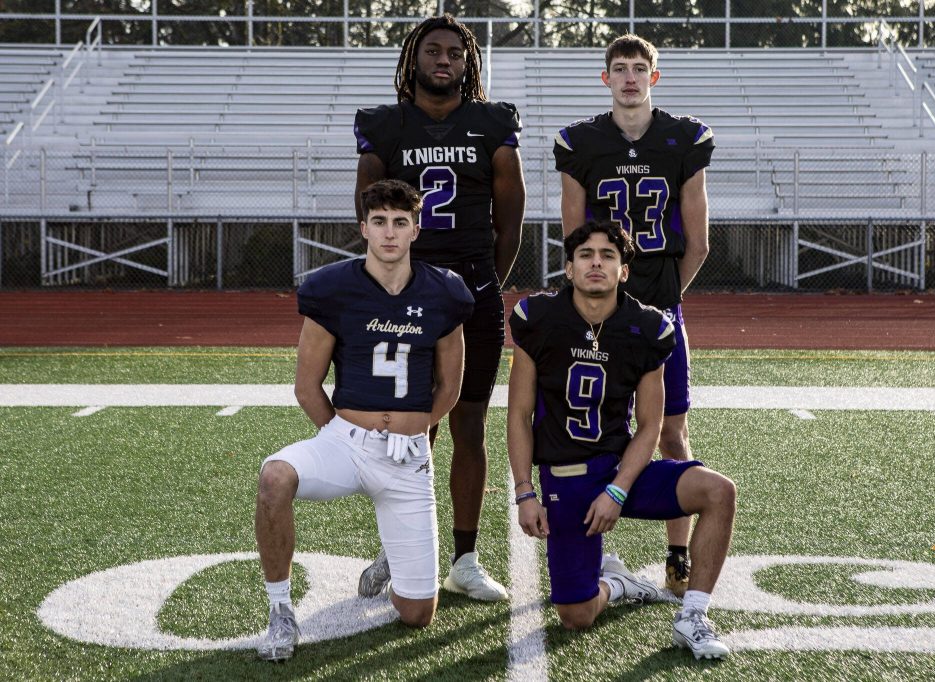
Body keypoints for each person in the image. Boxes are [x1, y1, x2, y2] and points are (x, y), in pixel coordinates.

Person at [254, 179, 474, 661]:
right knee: (274, 476)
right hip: (346, 443)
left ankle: (393, 557)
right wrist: (343, 435)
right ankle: (280, 611)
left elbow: (449, 388)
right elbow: (307, 386)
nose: (389, 233)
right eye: (379, 222)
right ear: (364, 229)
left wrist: (415, 432)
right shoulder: (332, 288)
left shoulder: (444, 291)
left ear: (416, 229)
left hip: (408, 457)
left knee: (417, 614)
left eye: (400, 222)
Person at [352, 13, 525, 602]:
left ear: (468, 61)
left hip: (472, 290)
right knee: (409, 426)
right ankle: (402, 546)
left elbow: (510, 222)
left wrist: (481, 286)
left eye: (454, 51)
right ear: (414, 58)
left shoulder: (492, 123)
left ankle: (465, 560)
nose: (444, 59)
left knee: (469, 423)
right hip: (407, 294)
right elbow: (369, 218)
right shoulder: (384, 125)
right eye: (433, 50)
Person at [507, 221, 735, 660]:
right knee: (575, 616)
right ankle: (618, 584)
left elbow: (650, 425)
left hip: (621, 470)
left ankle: (693, 615)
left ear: (623, 271)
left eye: (608, 256)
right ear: (569, 268)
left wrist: (617, 489)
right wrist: (524, 492)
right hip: (566, 475)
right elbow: (518, 414)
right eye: (586, 255)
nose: (596, 263)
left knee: (719, 491)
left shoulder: (647, 327)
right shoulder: (539, 319)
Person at [552, 34, 715, 597]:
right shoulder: (580, 143)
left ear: (653, 77)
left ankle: (677, 553)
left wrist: (660, 298)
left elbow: (699, 243)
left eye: (638, 69)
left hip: (657, 305)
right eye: (619, 68)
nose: (629, 78)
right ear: (606, 78)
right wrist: (604, 300)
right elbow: (574, 239)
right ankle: (594, 550)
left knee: (671, 430)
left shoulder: (683, 138)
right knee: (596, 428)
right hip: (599, 312)